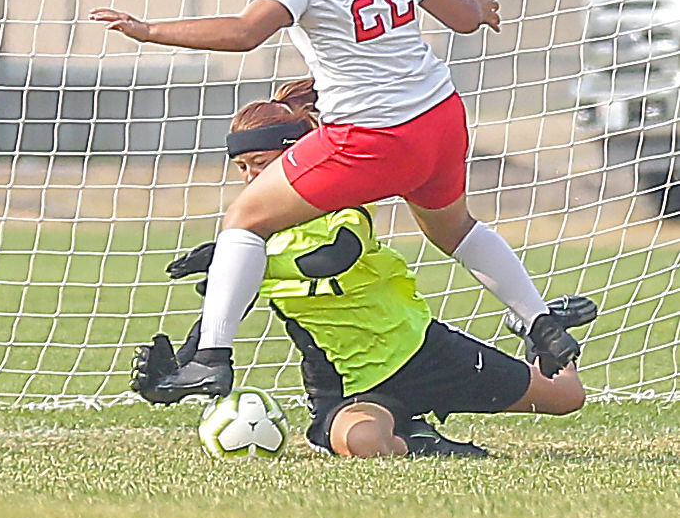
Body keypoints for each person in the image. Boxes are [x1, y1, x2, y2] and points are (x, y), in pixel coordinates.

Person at [91, 0, 580, 402]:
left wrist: (150, 30)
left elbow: (246, 32)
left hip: (374, 135)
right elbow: (462, 19)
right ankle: (540, 321)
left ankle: (211, 358)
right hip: (441, 117)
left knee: (245, 221)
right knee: (454, 230)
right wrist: (476, 6)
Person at [131, 84, 594, 457]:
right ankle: (417, 440)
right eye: (242, 168)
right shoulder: (249, 241)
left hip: (426, 352)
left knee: (568, 398)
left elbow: (332, 259)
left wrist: (241, 257)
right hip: (352, 386)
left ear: (295, 159)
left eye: (261, 164)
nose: (252, 179)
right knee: (365, 443)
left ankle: (533, 322)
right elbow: (227, 309)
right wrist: (187, 364)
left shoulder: (341, 210)